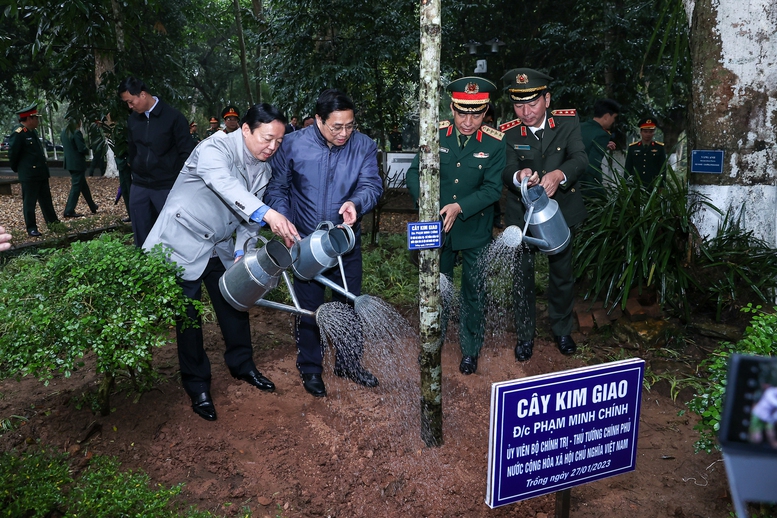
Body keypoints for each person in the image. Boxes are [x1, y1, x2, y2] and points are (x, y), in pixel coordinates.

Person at [143, 103, 299, 422]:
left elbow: (248, 223)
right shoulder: (214, 148)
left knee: (235, 304)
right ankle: (197, 385)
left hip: (219, 245)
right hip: (182, 241)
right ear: (245, 129)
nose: (272, 147)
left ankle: (242, 366)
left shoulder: (264, 169)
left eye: (279, 142)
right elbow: (225, 186)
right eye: (267, 138)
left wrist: (243, 251)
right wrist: (269, 213)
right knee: (187, 318)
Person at [266, 89, 383, 398]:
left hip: (344, 242)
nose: (344, 133)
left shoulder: (364, 146)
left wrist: (356, 204)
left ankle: (348, 363)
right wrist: (286, 223)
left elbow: (372, 185)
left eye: (350, 125)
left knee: (347, 304)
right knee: (308, 309)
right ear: (318, 120)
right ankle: (311, 368)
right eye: (336, 127)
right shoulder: (292, 144)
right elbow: (277, 188)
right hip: (304, 244)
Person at [406, 77, 505, 375]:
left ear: (486, 111)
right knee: (438, 286)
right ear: (451, 108)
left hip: (474, 228)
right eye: (462, 112)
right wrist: (429, 204)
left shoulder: (495, 143)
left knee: (474, 290)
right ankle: (433, 341)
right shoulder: (436, 135)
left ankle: (470, 349)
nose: (468, 120)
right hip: (437, 228)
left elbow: (492, 189)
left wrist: (460, 206)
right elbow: (414, 174)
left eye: (476, 114)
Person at [499, 68, 588, 361]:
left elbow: (580, 158)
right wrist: (518, 174)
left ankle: (562, 330)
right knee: (522, 276)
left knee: (562, 275)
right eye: (519, 105)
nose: (525, 112)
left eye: (532, 103)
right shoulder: (509, 131)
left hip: (559, 213)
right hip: (521, 216)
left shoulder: (567, 121)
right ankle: (525, 336)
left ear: (547, 99)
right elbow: (506, 168)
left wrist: (560, 174)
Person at [118, 76, 195, 245]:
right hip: (140, 185)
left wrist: (179, 181)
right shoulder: (133, 120)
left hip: (167, 186)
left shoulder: (173, 118)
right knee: (141, 232)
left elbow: (187, 153)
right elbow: (132, 148)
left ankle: (175, 268)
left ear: (143, 94)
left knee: (171, 232)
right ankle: (144, 264)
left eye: (131, 102)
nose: (130, 106)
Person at [8, 104, 61, 237]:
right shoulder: (18, 133)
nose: (37, 121)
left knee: (46, 200)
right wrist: (20, 170)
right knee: (30, 202)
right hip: (29, 174)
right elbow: (13, 155)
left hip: (40, 173)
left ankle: (54, 224)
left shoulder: (32, 132)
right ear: (29, 119)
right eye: (36, 118)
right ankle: (31, 227)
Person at [579, 99, 620, 199]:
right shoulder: (602, 135)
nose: (613, 121)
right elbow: (592, 166)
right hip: (589, 188)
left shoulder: (579, 126)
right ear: (606, 117)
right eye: (614, 118)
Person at [61, 118, 99, 218]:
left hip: (69, 163)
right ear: (78, 122)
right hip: (77, 163)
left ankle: (92, 206)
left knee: (83, 186)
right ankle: (69, 210)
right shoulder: (76, 132)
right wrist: (87, 150)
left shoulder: (64, 131)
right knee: (76, 187)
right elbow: (81, 148)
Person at [624, 117, 667, 186]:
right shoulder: (633, 147)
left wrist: (661, 185)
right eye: (645, 131)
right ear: (641, 132)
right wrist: (627, 184)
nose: (648, 134)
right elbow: (628, 167)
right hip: (636, 184)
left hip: (653, 184)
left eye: (651, 132)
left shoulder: (659, 148)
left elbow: (663, 168)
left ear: (654, 133)